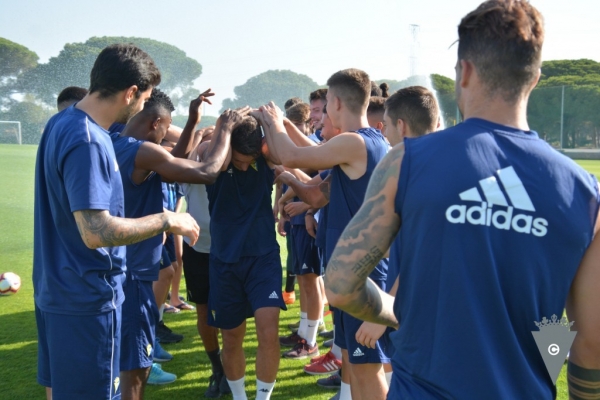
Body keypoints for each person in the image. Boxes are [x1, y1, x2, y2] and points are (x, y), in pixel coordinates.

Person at [324, 1, 600, 399]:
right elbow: (588, 343)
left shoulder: (407, 161)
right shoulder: (585, 194)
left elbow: (340, 283)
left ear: (464, 72)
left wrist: (393, 312)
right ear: (535, 79)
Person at [33, 44, 199, 400]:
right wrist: (168, 219)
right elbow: (96, 232)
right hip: (87, 301)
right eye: (144, 98)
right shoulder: (89, 140)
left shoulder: (60, 123)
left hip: (55, 292)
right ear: (131, 93)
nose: (142, 107)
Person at [256, 67, 390, 400]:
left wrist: (273, 122)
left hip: (364, 277)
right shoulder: (356, 146)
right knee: (356, 367)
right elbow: (315, 193)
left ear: (338, 103)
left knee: (368, 368)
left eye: (327, 102)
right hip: (351, 276)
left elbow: (292, 155)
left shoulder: (356, 142)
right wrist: (284, 126)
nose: (325, 111)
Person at [111, 87, 240, 398]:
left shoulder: (114, 140)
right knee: (134, 368)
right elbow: (207, 172)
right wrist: (224, 129)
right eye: (167, 128)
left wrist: (193, 120)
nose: (168, 135)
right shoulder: (142, 150)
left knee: (119, 360)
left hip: (117, 268)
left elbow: (172, 160)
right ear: (156, 123)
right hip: (135, 274)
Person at [205, 116, 285, 400]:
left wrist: (272, 122)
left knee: (268, 330)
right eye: (237, 160)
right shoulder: (214, 161)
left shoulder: (265, 159)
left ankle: (262, 399)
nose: (242, 165)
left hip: (263, 259)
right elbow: (201, 155)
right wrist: (224, 129)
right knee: (231, 337)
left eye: (248, 160)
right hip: (224, 262)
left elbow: (285, 150)